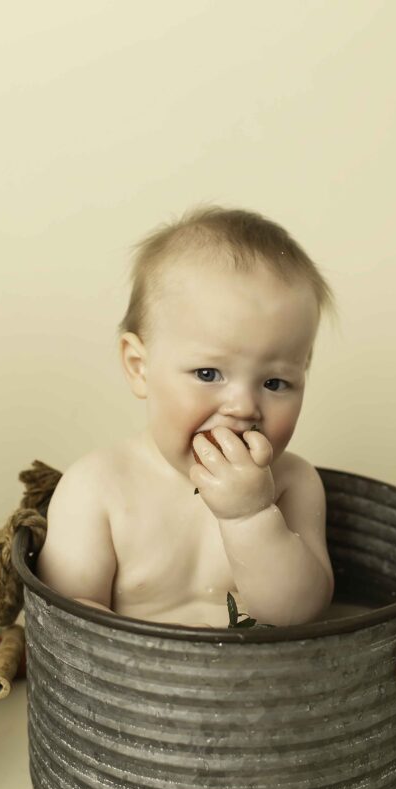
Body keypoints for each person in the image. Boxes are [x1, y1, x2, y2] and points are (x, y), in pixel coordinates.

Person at [37, 205, 335, 628]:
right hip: (131, 688)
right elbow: (66, 619)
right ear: (140, 367)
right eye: (208, 374)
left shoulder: (293, 484)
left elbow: (299, 614)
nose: (243, 407)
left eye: (275, 383)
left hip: (265, 690)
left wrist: (251, 515)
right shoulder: (97, 488)